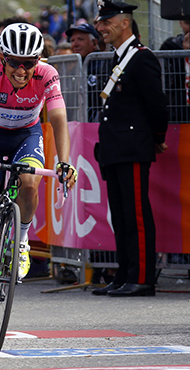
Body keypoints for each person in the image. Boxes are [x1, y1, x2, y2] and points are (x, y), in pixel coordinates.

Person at [0, 23, 77, 319]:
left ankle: (21, 241)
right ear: (2, 57)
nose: (21, 70)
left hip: (26, 135)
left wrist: (64, 160)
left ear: (39, 61)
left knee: (29, 182)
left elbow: (59, 120)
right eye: (14, 63)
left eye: (29, 63)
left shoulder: (48, 75)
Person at [92, 0, 168, 297]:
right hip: (116, 147)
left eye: (106, 22)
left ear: (125, 23)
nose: (100, 28)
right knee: (121, 215)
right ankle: (124, 274)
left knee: (136, 214)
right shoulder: (119, 57)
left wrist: (157, 136)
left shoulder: (141, 58)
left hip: (132, 147)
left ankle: (142, 278)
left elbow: (156, 104)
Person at [65, 22, 103, 122]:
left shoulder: (104, 66)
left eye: (81, 39)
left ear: (94, 43)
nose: (75, 44)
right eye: (72, 40)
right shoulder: (73, 69)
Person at [160, 20, 190, 123]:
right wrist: (184, 53)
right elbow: (168, 81)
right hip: (178, 112)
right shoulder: (170, 46)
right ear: (181, 22)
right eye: (188, 23)